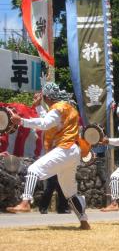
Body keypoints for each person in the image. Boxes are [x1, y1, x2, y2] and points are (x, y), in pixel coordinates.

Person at [6, 82, 90, 230]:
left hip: (65, 149)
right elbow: (49, 119)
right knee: (70, 191)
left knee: (33, 169)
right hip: (73, 151)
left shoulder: (58, 108)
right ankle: (84, 221)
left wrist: (22, 121)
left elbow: (45, 123)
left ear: (46, 97)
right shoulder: (67, 109)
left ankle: (25, 202)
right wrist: (38, 106)